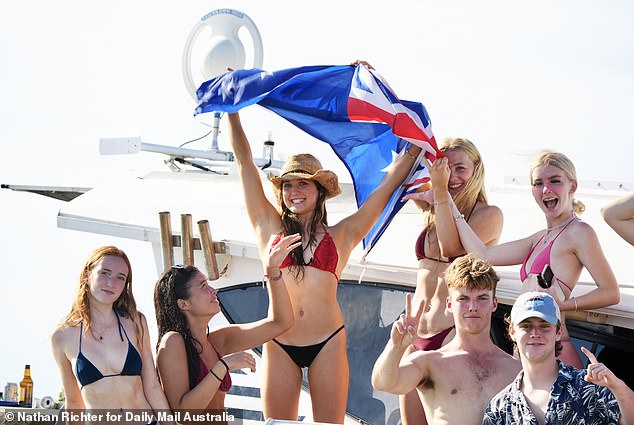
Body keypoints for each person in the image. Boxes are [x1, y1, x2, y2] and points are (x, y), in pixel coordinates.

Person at [226, 106, 422, 423]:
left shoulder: (341, 235)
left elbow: (384, 191)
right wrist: (232, 112)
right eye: (288, 185)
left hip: (327, 341)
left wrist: (413, 149)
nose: (294, 191)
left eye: (303, 184)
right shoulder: (268, 227)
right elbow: (244, 162)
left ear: (319, 191)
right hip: (280, 340)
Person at [448, 150, 620, 368]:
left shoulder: (580, 232)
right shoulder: (538, 238)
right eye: (538, 183)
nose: (546, 189)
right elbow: (483, 255)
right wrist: (449, 204)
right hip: (526, 348)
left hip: (554, 350)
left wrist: (564, 305)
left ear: (572, 187)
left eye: (555, 181)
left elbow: (610, 292)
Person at [399, 137, 504, 425]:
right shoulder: (434, 207)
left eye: (461, 168)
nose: (452, 176)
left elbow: (454, 253)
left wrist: (441, 193)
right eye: (445, 167)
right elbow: (399, 178)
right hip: (415, 332)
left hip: (450, 333)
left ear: (477, 170)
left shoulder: (488, 215)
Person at [153, 234, 298, 420]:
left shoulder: (217, 341)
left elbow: (281, 323)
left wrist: (272, 269)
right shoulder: (172, 341)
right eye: (203, 286)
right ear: (183, 304)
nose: (213, 291)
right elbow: (183, 414)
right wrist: (224, 365)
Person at [372, 253, 521, 425]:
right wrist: (396, 347)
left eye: (481, 298)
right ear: (450, 304)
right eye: (463, 299)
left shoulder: (516, 370)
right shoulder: (430, 364)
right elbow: (383, 383)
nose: (473, 307)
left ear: (494, 303)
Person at [50, 246, 173, 424]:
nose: (111, 283)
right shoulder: (61, 336)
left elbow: (152, 386)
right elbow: (74, 402)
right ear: (87, 274)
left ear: (125, 285)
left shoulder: (136, 322)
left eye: (120, 278)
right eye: (105, 273)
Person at [483, 292, 634, 424]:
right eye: (526, 326)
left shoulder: (589, 386)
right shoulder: (500, 408)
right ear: (512, 332)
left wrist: (617, 387)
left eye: (544, 325)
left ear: (559, 332)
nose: (535, 333)